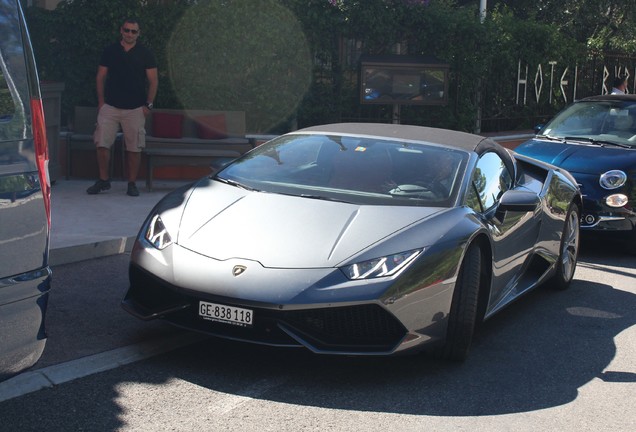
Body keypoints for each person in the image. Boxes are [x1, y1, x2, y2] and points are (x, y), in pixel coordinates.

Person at [87, 18, 158, 196]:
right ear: (121, 30)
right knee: (101, 144)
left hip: (135, 108)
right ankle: (104, 180)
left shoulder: (145, 53)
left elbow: (153, 80)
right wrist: (101, 102)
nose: (130, 34)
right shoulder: (110, 51)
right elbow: (100, 77)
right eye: (127, 30)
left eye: (134, 31)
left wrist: (148, 104)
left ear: (138, 33)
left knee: (134, 148)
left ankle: (131, 183)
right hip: (110, 107)